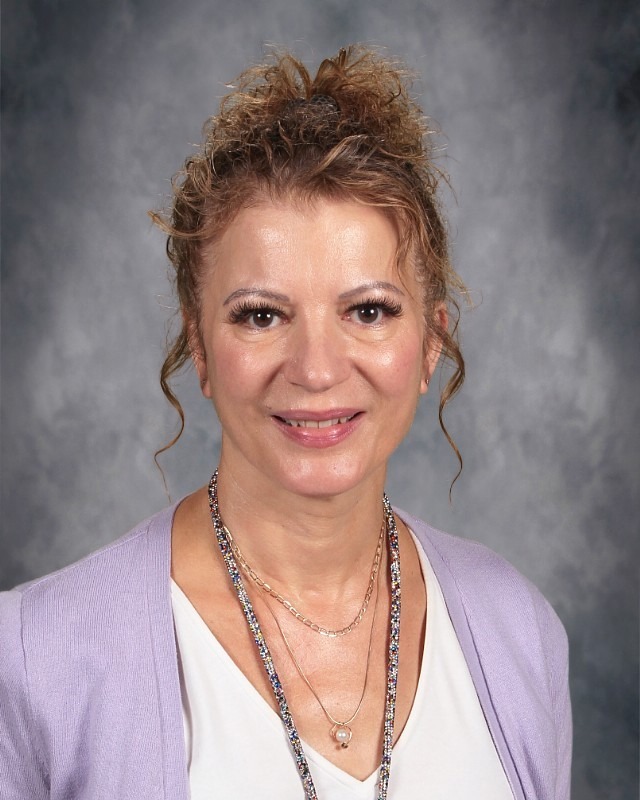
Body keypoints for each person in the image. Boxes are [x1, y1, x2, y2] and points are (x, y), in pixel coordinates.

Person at [0, 47, 571, 799]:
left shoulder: (520, 632)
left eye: (368, 311)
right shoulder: (34, 659)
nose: (316, 368)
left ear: (431, 342)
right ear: (199, 349)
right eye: (262, 315)